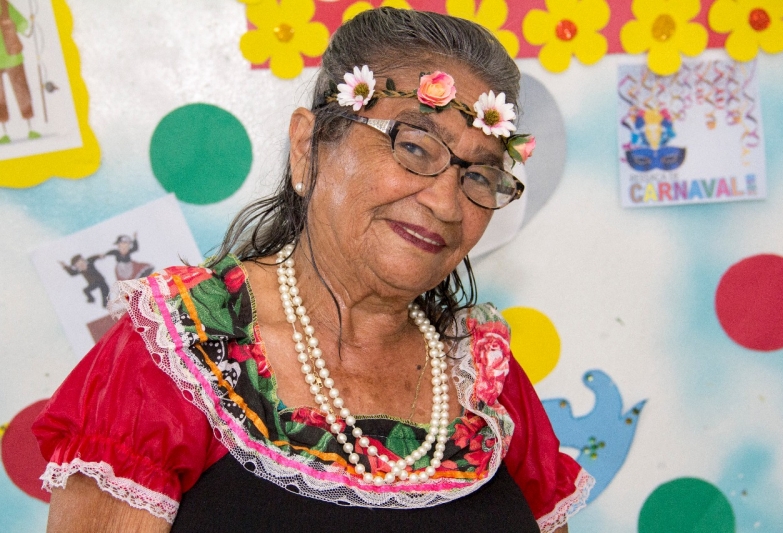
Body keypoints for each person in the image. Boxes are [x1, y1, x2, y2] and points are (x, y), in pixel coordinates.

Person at [33, 8, 592, 532]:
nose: (447, 204)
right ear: (309, 146)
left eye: (478, 176)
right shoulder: (179, 353)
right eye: (416, 147)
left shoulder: (481, 380)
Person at [0, 0, 39, 143]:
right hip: (13, 58)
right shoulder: (4, 5)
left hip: (13, 58)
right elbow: (23, 25)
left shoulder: (4, 5)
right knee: (18, 92)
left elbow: (22, 25)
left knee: (21, 92)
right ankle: (8, 131)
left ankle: (29, 128)